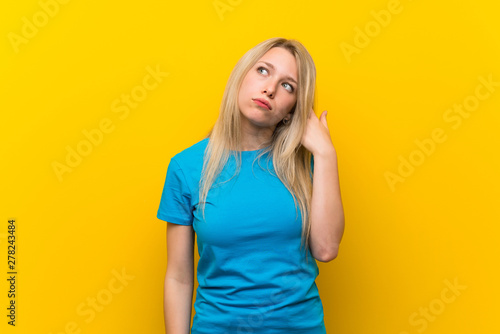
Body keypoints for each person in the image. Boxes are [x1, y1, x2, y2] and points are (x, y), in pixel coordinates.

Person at [157, 37, 345, 334]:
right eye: (262, 71)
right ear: (240, 76)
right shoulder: (186, 167)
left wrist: (325, 153)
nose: (269, 88)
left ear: (293, 109)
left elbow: (325, 248)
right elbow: (179, 277)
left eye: (288, 86)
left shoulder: (306, 165)